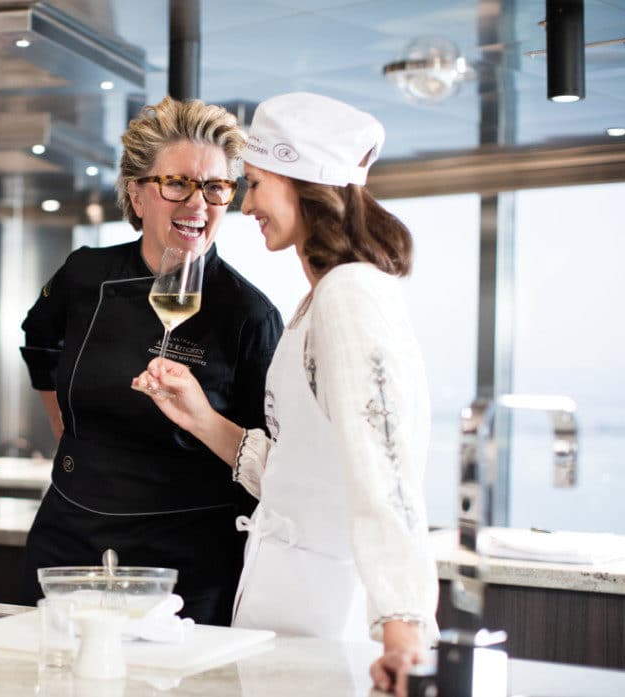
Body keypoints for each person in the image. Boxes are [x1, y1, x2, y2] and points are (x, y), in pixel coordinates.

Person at [132, 92, 439, 695]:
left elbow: (384, 471)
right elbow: (305, 471)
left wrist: (403, 631)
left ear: (305, 186)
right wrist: (201, 418)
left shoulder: (350, 295)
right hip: (288, 596)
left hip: (324, 609)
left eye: (256, 184)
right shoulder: (322, 298)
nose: (246, 205)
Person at [18, 97, 284, 625]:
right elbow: (39, 342)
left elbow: (268, 458)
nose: (198, 203)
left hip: (187, 563)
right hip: (71, 541)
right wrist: (68, 434)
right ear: (137, 194)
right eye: (177, 184)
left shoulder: (249, 314)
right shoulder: (85, 275)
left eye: (215, 187)